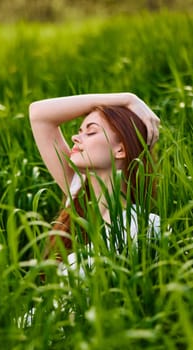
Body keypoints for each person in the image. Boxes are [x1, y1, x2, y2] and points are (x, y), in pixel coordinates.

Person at [28, 92, 161, 277]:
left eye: (90, 132)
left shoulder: (141, 224)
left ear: (120, 149)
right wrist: (127, 98)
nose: (75, 137)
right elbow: (38, 114)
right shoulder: (79, 192)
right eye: (79, 131)